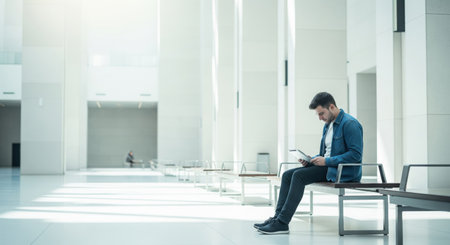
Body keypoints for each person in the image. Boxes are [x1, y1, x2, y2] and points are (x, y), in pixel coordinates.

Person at [255, 92, 363, 235]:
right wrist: (312, 160)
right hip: (328, 167)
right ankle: (277, 218)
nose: (320, 118)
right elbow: (327, 153)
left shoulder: (350, 124)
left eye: (321, 113)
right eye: (318, 115)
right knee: (287, 175)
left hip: (341, 172)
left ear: (331, 107)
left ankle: (282, 222)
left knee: (298, 176)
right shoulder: (328, 125)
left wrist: (326, 161)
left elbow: (356, 155)